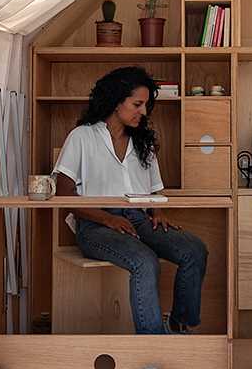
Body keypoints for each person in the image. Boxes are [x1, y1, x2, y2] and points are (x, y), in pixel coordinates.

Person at [52, 66, 208, 334]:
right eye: (137, 104)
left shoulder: (143, 143)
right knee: (145, 261)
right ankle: (152, 344)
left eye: (146, 105)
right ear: (116, 101)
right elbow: (64, 196)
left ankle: (180, 326)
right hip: (96, 225)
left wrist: (157, 211)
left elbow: (155, 192)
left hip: (140, 219)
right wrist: (108, 218)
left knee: (194, 250)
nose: (143, 112)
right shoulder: (82, 137)